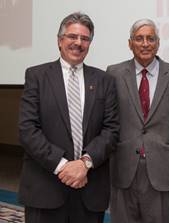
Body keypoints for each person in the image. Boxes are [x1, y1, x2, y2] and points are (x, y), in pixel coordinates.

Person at [18, 12, 119, 223]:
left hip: (89, 190)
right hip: (45, 189)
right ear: (60, 40)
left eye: (85, 38)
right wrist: (64, 166)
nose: (78, 43)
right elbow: (28, 130)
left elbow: (111, 130)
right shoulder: (36, 76)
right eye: (72, 36)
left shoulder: (104, 80)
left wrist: (84, 164)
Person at [106, 18, 169, 223]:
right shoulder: (113, 73)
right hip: (124, 167)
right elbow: (109, 120)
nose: (145, 44)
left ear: (158, 43)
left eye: (150, 39)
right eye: (139, 38)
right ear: (130, 43)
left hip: (163, 168)